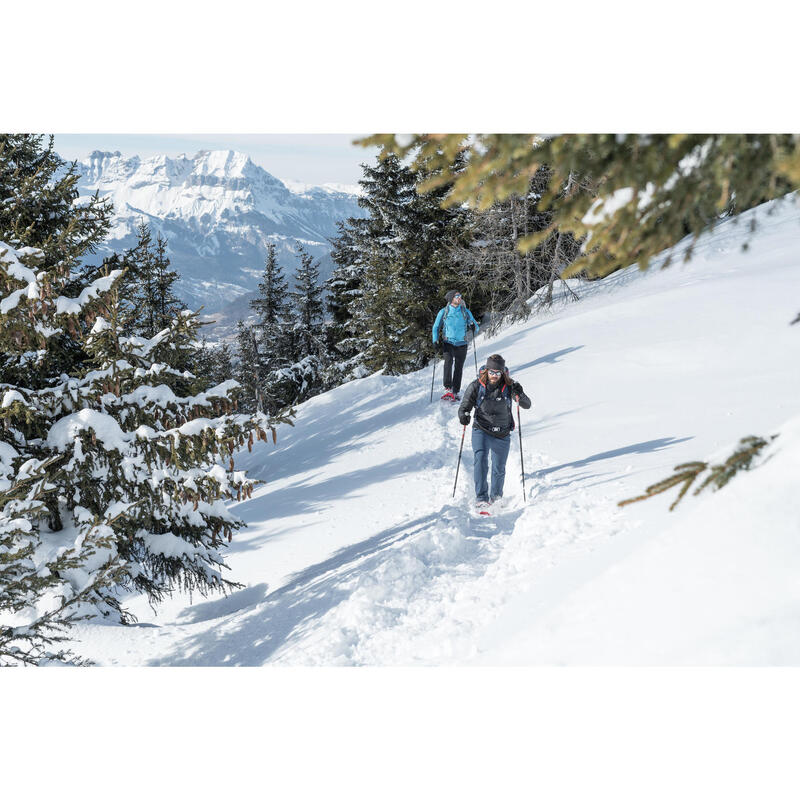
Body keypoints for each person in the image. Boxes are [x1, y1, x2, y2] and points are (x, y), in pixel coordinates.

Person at [457, 354, 532, 511]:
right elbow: (465, 405)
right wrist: (463, 415)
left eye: (498, 373)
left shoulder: (510, 386)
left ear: (503, 372)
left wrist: (521, 393)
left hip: (502, 432)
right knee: (481, 460)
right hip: (481, 429)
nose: (495, 376)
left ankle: (496, 496)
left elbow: (526, 404)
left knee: (499, 467)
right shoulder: (476, 386)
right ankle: (481, 498)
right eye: (492, 372)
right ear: (487, 370)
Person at [432, 290, 479, 401]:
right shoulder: (444, 312)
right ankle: (448, 389)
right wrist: (435, 340)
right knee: (448, 364)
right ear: (451, 299)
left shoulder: (465, 311)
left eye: (460, 296)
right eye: (457, 296)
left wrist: (473, 326)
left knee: (459, 367)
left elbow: (475, 326)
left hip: (462, 343)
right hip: (448, 343)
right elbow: (435, 327)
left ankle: (456, 391)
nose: (460, 298)